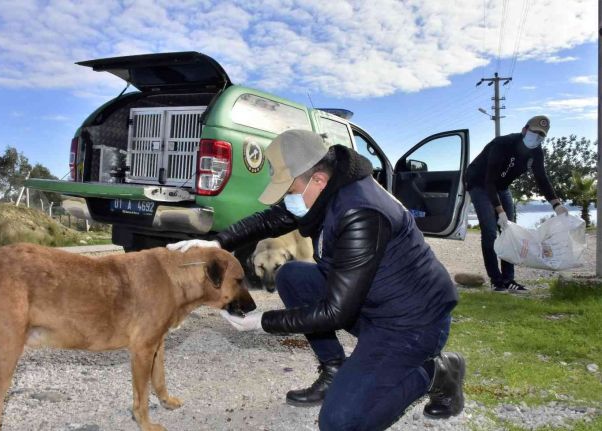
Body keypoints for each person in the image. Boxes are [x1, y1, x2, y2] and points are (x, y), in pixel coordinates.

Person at [168, 129, 466, 430]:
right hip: (372, 303)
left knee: (340, 422)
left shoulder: (361, 213)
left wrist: (262, 321)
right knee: (292, 276)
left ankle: (437, 372)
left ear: (319, 180)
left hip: (412, 323)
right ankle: (334, 367)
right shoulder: (329, 188)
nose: (287, 199)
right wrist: (218, 242)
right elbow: (272, 218)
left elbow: (337, 312)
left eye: (289, 191)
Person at [465, 115, 568, 293]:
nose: (537, 137)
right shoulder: (502, 144)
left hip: (502, 187)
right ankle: (496, 281)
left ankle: (509, 279)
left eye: (541, 135)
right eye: (534, 132)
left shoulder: (536, 152)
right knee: (490, 231)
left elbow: (542, 179)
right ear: (525, 129)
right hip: (480, 183)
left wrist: (557, 205)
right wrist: (500, 212)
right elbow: (489, 181)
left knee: (509, 231)